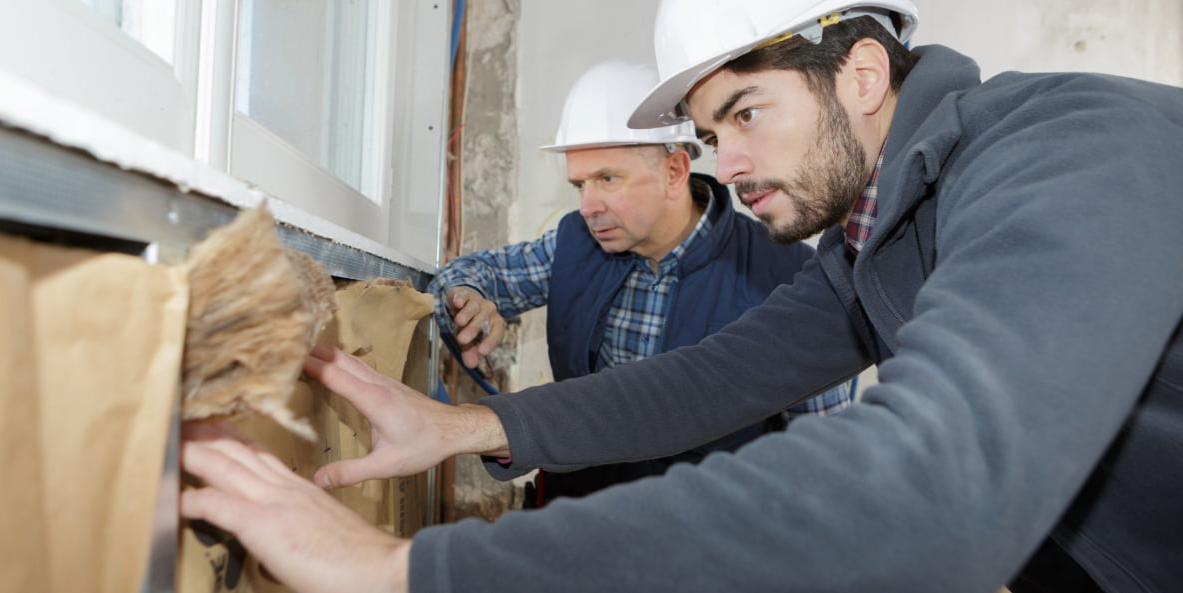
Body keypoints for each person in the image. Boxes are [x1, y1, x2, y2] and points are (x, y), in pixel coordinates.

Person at [180, 0, 1183, 591]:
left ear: (864, 73)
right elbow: (708, 381)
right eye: (713, 132)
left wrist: (403, 571)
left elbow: (931, 481)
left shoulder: (1070, 149)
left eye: (747, 112)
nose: (729, 162)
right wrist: (464, 424)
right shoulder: (883, 237)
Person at [427, 57, 852, 506]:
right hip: (578, 524)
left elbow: (823, 456)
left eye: (607, 179)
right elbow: (470, 275)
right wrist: (468, 298)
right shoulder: (574, 244)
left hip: (705, 546)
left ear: (674, 172)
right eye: (579, 185)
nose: (588, 206)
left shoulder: (789, 280)